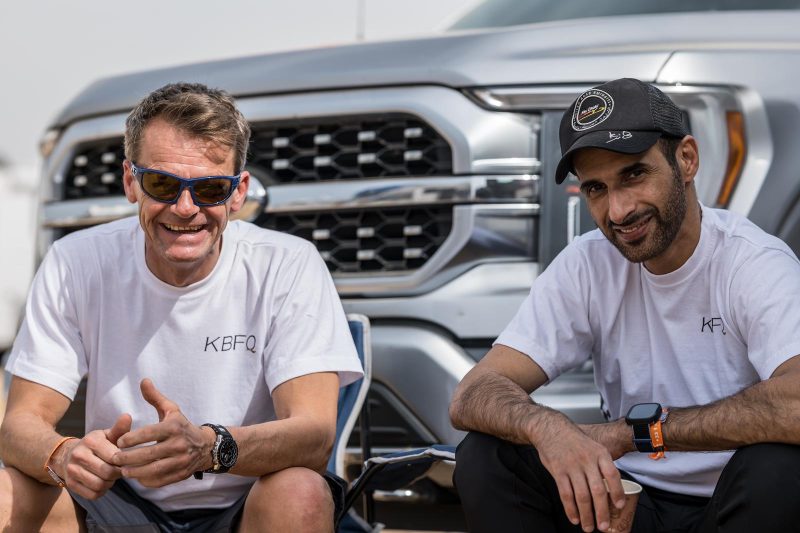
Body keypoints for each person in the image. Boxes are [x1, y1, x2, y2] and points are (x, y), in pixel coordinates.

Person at [0, 82, 363, 532]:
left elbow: (314, 435)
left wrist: (210, 448)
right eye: (163, 184)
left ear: (238, 193)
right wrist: (63, 455)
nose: (186, 207)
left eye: (210, 188)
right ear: (131, 182)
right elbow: (20, 425)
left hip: (247, 502)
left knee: (300, 492)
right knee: (5, 495)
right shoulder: (75, 261)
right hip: (116, 501)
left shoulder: (288, 264)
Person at [449, 78, 800, 533]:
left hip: (738, 503)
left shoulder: (753, 261)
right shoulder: (587, 262)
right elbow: (472, 394)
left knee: (781, 465)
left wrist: (634, 433)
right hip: (625, 501)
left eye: (634, 175)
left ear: (686, 159)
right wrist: (548, 429)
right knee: (487, 454)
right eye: (596, 188)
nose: (618, 211)